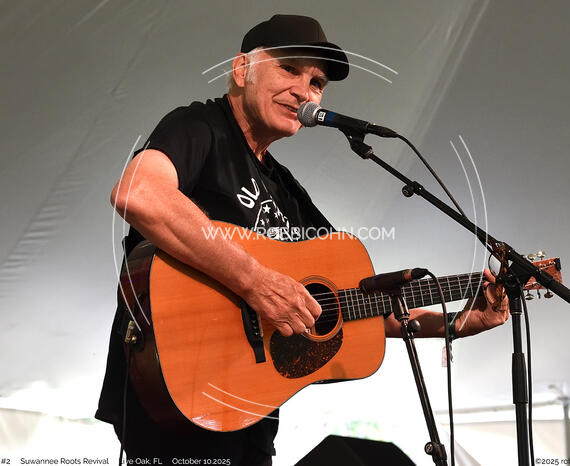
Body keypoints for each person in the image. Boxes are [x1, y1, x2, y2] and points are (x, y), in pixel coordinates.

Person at [96, 14, 509, 466]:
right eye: (289, 69)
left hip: (250, 410)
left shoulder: (287, 191)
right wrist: (256, 281)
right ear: (242, 70)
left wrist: (457, 322)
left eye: (316, 83)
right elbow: (138, 193)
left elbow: (355, 303)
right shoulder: (200, 126)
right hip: (176, 390)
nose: (304, 91)